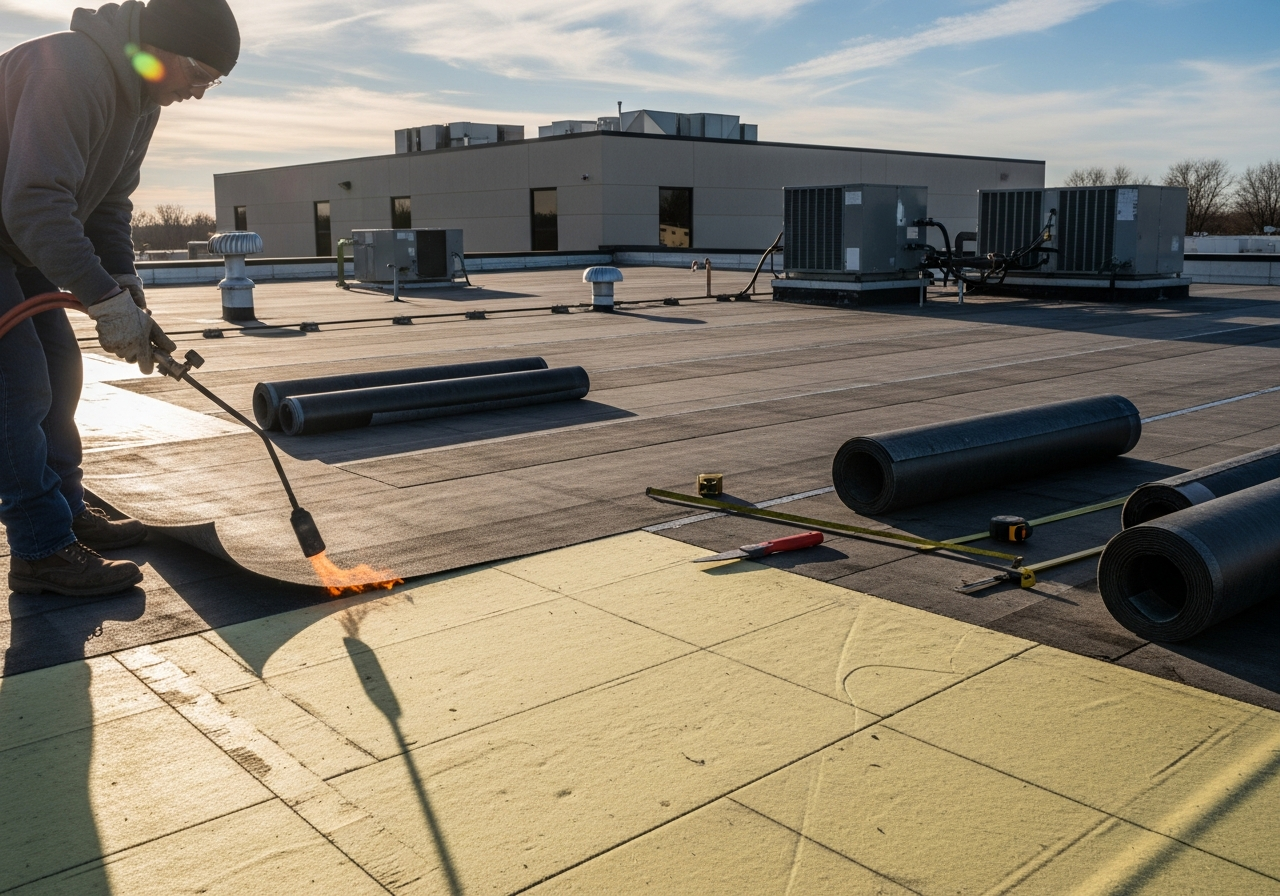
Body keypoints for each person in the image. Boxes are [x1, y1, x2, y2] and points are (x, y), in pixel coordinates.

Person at [0, 0, 239, 597]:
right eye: (200, 76)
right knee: (16, 383)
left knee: (60, 368)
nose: (200, 93)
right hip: (16, 225)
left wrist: (124, 285)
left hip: (15, 237)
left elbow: (108, 204)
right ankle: (41, 549)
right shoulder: (73, 68)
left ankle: (67, 514)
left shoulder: (142, 100)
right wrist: (104, 301)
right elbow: (34, 203)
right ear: (162, 49)